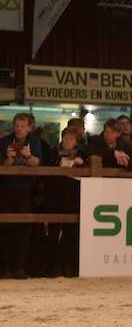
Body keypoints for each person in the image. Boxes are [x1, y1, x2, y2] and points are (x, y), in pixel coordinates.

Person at [0, 113, 43, 279]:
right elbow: (2, 164)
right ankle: (4, 268)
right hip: (5, 189)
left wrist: (27, 156)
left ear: (29, 127)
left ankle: (19, 267)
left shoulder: (35, 142)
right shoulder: (4, 141)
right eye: (17, 125)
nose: (19, 129)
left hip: (26, 189)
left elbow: (38, 163)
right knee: (4, 228)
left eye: (22, 126)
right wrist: (8, 159)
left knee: (24, 229)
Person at [43, 128, 85, 277]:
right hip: (54, 196)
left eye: (71, 139)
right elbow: (45, 173)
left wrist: (80, 165)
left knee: (70, 233)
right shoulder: (52, 153)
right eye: (65, 138)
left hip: (73, 197)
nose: (67, 141)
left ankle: (66, 265)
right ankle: (50, 266)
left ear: (76, 142)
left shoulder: (82, 155)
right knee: (53, 232)